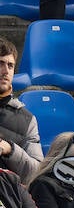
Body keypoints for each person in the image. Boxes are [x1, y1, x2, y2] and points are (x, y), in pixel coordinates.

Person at [0, 36, 43, 183]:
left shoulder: (26, 119)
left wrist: (10, 150)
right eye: (0, 63)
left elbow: (36, 173)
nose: (6, 71)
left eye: (10, 66)